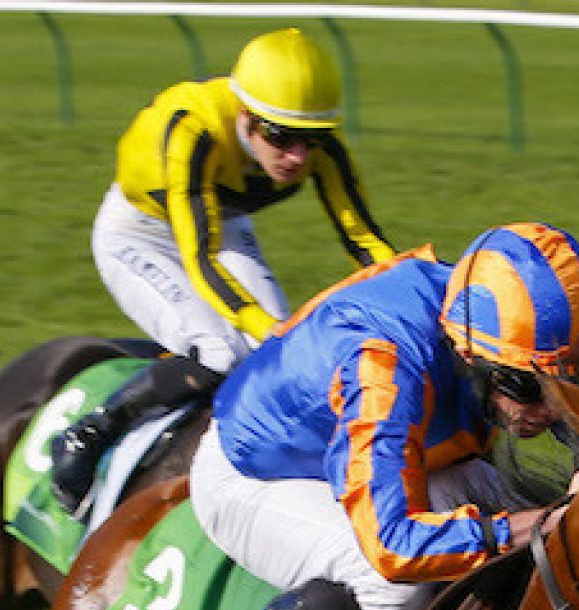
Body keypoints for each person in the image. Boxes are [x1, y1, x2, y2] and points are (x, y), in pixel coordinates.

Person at [165, 222, 579, 610]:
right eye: (529, 391)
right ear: (473, 356)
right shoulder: (384, 366)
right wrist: (549, 522)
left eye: (562, 387)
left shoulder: (489, 319)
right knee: (392, 593)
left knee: (500, 504)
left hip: (373, 447)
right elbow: (395, 547)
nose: (546, 413)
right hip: (254, 477)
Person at [46, 27, 395, 514]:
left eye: (311, 140)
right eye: (280, 136)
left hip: (221, 222)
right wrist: (272, 330)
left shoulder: (318, 149)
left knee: (273, 356)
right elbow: (200, 259)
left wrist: (430, 290)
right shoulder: (193, 133)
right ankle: (91, 433)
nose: (297, 156)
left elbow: (363, 239)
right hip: (141, 232)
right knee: (217, 351)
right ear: (246, 116)